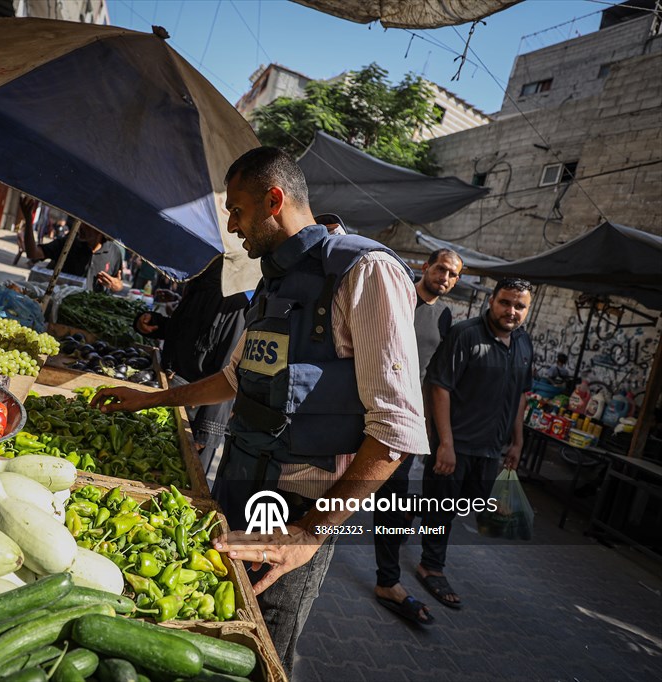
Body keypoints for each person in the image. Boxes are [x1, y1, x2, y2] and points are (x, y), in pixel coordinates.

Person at [91, 147, 428, 676]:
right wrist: (150, 399)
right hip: (238, 485)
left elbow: (397, 431)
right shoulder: (272, 281)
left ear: (274, 200)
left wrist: (311, 534)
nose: (231, 224)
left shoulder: (367, 271)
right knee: (213, 640)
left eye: (238, 210)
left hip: (295, 513)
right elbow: (234, 379)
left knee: (259, 654)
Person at [416, 278, 534, 610]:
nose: (511, 311)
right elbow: (439, 387)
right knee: (443, 510)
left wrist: (517, 442)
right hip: (458, 443)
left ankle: (412, 507)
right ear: (492, 301)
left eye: (519, 306)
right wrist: (445, 444)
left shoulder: (523, 344)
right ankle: (431, 566)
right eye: (505, 302)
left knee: (467, 503)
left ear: (528, 309)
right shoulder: (466, 335)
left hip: (490, 447)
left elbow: (520, 396)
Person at [372, 248, 462, 627]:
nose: (445, 277)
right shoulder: (398, 295)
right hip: (366, 408)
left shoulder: (446, 317)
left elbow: (433, 378)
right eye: (441, 268)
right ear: (425, 266)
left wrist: (432, 431)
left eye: (453, 274)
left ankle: (388, 581)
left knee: (392, 500)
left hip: (405, 423)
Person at [134, 257, 250, 468]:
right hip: (171, 398)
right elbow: (186, 336)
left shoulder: (235, 305)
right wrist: (153, 323)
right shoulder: (199, 288)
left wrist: (204, 436)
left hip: (197, 416)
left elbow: (229, 375)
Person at [19, 197, 124, 293]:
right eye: (80, 221)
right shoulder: (68, 244)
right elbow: (33, 253)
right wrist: (29, 219)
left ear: (101, 229)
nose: (80, 226)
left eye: (86, 223)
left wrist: (116, 285)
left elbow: (119, 283)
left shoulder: (114, 252)